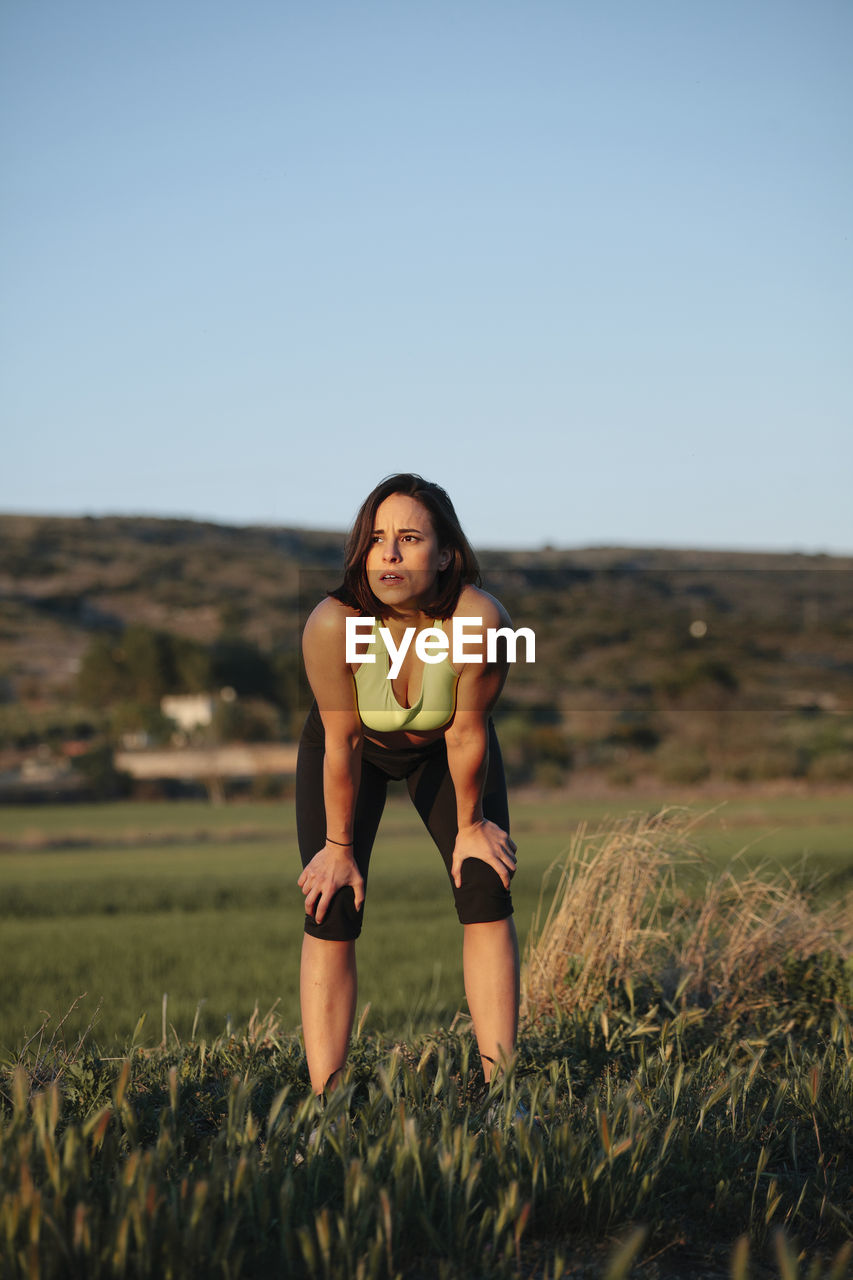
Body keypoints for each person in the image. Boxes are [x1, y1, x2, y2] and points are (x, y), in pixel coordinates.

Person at [296, 473, 519, 1096]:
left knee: (484, 884)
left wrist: (471, 828)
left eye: (410, 537)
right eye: (377, 539)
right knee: (330, 899)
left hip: (446, 752)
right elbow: (341, 742)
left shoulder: (480, 620)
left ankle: (502, 1095)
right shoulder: (331, 624)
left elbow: (467, 732)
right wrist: (337, 851)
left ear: (445, 553)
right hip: (351, 750)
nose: (389, 554)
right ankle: (327, 1104)